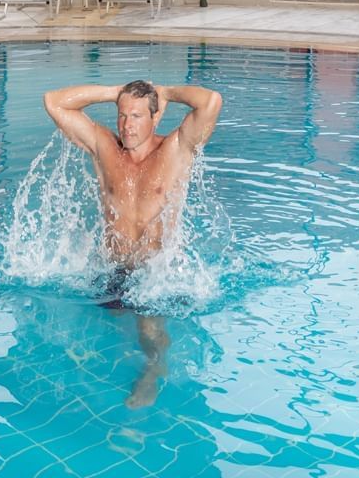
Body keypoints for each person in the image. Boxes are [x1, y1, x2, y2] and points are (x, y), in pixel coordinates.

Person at [41, 78, 223, 407]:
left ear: (155, 117)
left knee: (149, 331)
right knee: (105, 328)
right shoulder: (104, 147)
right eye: (122, 115)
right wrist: (115, 93)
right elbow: (54, 101)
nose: (127, 125)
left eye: (137, 116)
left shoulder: (177, 149)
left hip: (156, 274)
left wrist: (166, 93)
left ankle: (155, 370)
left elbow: (210, 102)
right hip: (113, 271)